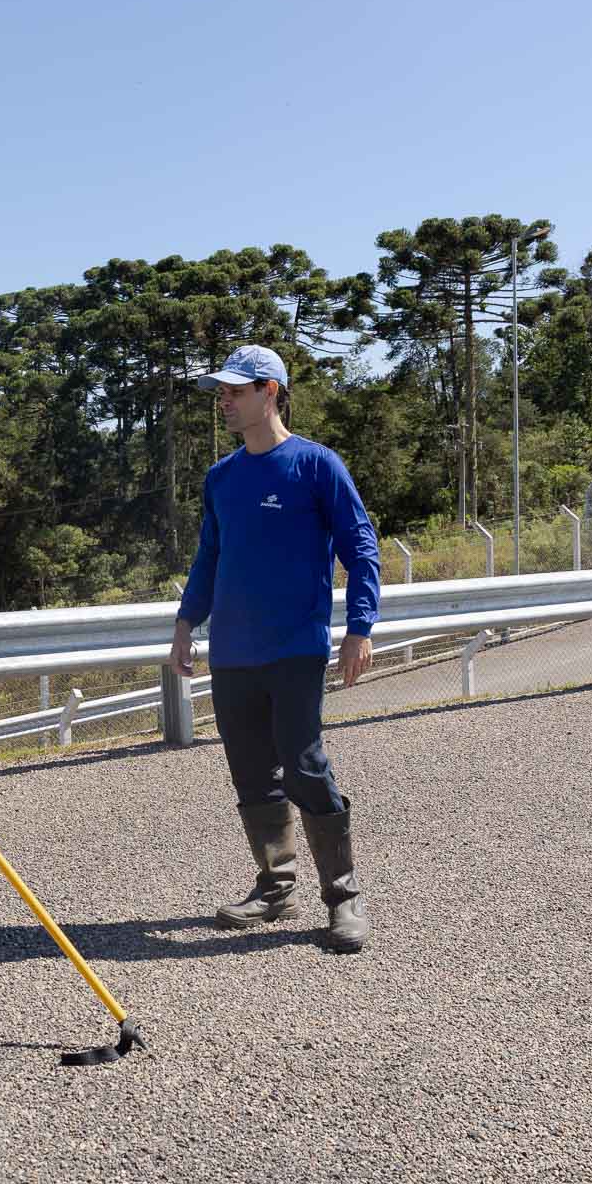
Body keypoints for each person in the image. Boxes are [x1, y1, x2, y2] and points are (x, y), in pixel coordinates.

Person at [168, 344, 381, 951]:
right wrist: (187, 623)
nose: (225, 401)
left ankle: (343, 896)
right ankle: (275, 885)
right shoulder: (222, 478)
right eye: (221, 392)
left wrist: (359, 628)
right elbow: (210, 555)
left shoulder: (316, 466)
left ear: (270, 391)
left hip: (295, 645)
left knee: (304, 764)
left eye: (235, 390)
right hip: (233, 650)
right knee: (251, 772)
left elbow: (360, 550)